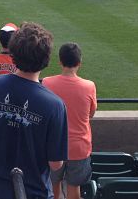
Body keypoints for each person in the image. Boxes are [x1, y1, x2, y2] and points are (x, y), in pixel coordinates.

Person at [0, 22, 68, 199]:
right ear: (46, 60)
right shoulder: (55, 105)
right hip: (34, 191)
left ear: (13, 53)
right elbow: (56, 164)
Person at [43, 43, 97, 199]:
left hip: (53, 146)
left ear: (60, 61)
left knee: (52, 190)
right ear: (79, 62)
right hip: (79, 147)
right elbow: (91, 113)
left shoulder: (47, 83)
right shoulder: (89, 86)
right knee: (74, 191)